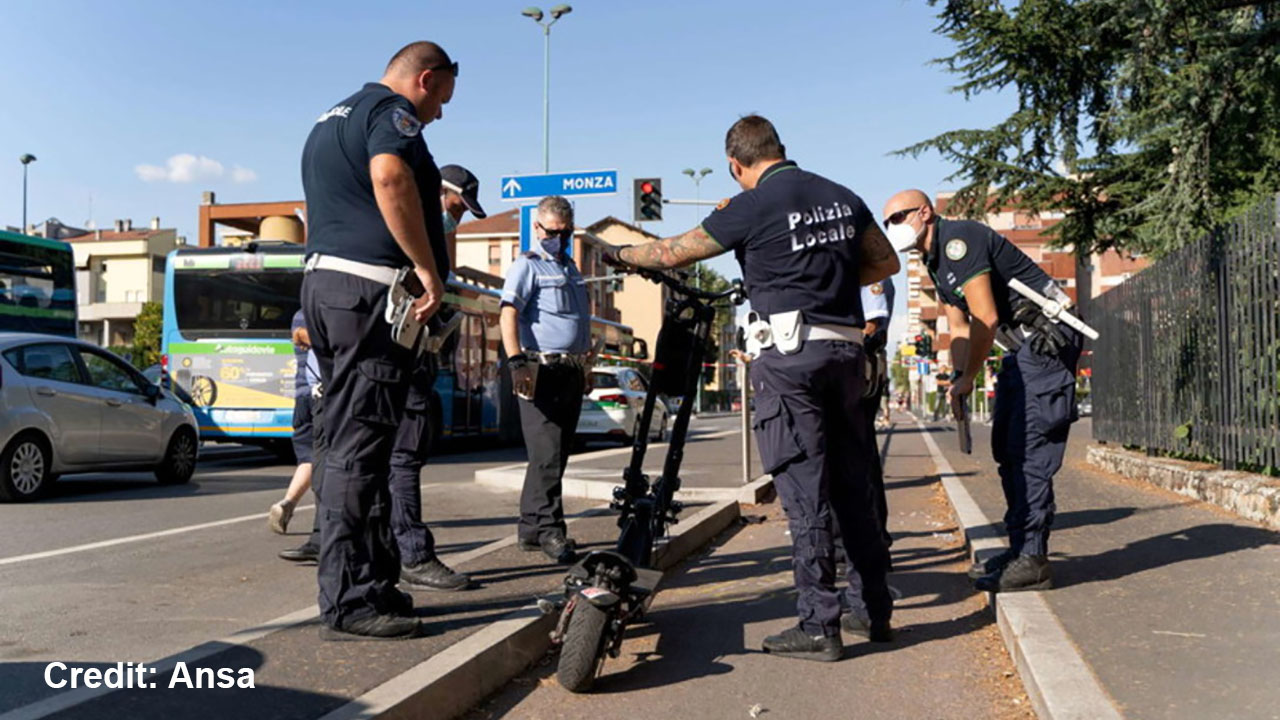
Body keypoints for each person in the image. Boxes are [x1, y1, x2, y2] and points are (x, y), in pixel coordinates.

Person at [605, 115, 900, 662]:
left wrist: (621, 255)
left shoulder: (750, 204)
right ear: (781, 149)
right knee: (853, 487)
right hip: (845, 352)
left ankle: (819, 626)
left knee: (805, 491)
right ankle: (872, 610)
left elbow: (673, 251)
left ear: (737, 165)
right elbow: (885, 262)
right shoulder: (842, 196)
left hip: (790, 360)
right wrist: (828, 279)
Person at [299, 41, 455, 640]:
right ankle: (348, 602)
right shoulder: (392, 117)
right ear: (423, 78)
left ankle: (375, 582)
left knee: (359, 441)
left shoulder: (329, 118)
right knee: (359, 449)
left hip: (329, 288)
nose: (438, 114)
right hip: (367, 296)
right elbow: (389, 176)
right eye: (440, 98)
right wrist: (428, 270)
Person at [881, 189, 1083, 592]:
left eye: (899, 218)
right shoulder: (935, 262)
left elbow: (985, 318)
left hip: (1045, 340)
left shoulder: (960, 241)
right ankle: (1020, 549)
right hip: (1021, 348)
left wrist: (970, 375)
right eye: (888, 223)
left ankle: (1033, 557)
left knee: (1029, 450)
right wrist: (958, 376)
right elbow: (958, 328)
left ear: (925, 213)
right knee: (1007, 450)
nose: (894, 228)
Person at [499, 195, 593, 565]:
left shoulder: (571, 267)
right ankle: (551, 530)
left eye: (566, 232)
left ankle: (530, 528)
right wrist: (516, 362)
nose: (560, 238)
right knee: (547, 454)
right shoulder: (528, 266)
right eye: (554, 232)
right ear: (537, 228)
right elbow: (507, 313)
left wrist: (584, 366)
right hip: (539, 369)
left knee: (554, 453)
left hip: (569, 369)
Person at [268, 311, 321, 535]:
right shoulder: (317, 314)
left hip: (301, 394)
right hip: (319, 395)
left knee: (309, 457)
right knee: (326, 456)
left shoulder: (299, 315)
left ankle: (288, 502)